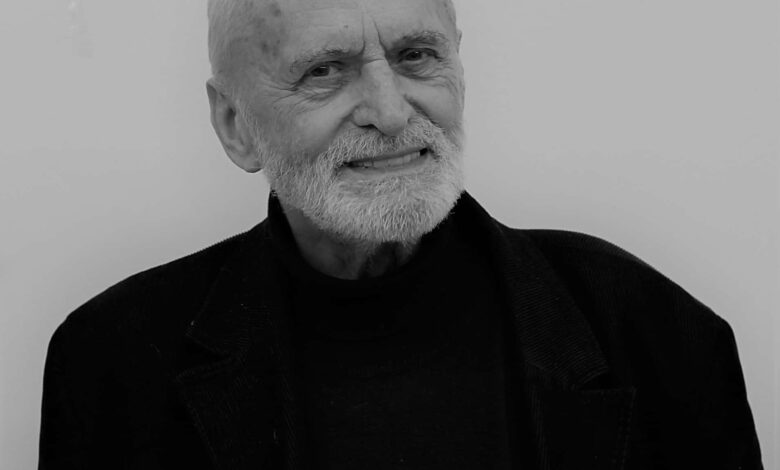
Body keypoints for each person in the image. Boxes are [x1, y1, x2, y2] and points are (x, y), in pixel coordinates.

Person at [38, 0, 763, 468]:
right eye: (325, 71)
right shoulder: (112, 364)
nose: (389, 112)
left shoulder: (653, 331)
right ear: (235, 126)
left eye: (416, 56)